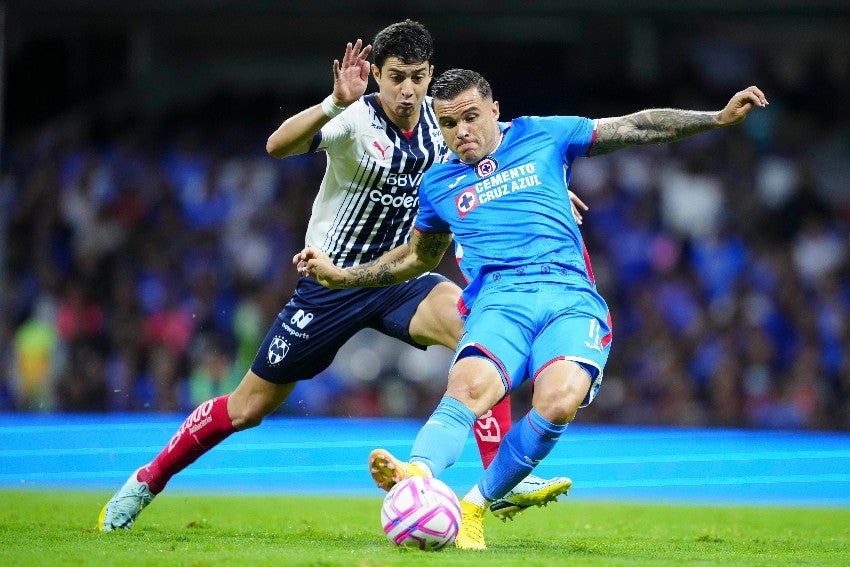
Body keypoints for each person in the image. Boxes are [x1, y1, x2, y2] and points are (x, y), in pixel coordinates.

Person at [98, 20, 575, 532]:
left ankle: (500, 480)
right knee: (248, 407)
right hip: (329, 284)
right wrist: (332, 103)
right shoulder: (356, 119)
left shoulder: (445, 125)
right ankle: (145, 483)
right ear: (376, 75)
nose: (408, 90)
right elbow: (276, 147)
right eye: (396, 77)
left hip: (400, 278)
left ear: (430, 74)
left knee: (478, 335)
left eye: (417, 77)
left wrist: (544, 194)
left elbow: (500, 158)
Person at [296, 68, 769, 549]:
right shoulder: (438, 184)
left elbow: (637, 126)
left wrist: (715, 117)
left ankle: (474, 505)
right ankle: (415, 475)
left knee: (559, 401)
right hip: (500, 300)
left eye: (471, 118)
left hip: (569, 298)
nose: (461, 132)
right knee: (469, 386)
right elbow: (417, 258)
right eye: (447, 124)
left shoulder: (544, 134)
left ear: (495, 111)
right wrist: (344, 276)